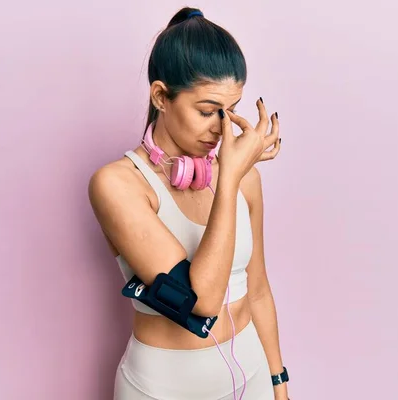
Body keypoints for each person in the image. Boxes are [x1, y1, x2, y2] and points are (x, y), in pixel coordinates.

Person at [89, 7, 290, 400]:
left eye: (230, 111)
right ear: (161, 96)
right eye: (206, 111)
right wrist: (228, 180)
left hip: (250, 376)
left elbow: (258, 288)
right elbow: (204, 303)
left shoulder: (245, 177)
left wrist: (278, 382)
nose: (221, 129)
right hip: (160, 387)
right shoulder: (118, 185)